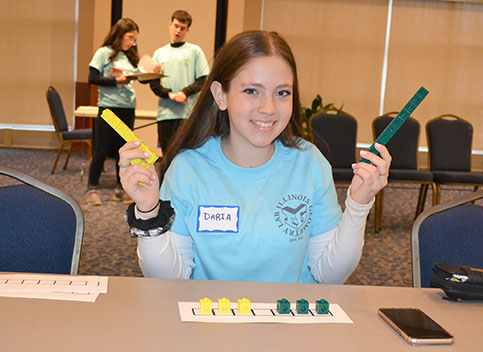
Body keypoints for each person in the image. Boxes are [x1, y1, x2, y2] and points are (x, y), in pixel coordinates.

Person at [119, 30, 391, 284]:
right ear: (220, 95)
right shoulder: (188, 168)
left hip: (290, 326)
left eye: (282, 93)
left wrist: (358, 205)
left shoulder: (309, 163)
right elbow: (169, 281)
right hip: (209, 327)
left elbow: (328, 276)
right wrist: (148, 211)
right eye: (251, 91)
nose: (269, 108)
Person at [86, 18, 145, 206]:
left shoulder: (130, 56)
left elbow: (140, 77)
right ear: (119, 35)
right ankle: (92, 189)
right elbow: (92, 78)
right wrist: (116, 82)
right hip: (109, 108)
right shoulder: (103, 53)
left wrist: (151, 72)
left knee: (124, 151)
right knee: (101, 149)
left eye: (135, 39)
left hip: (127, 108)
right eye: (129, 38)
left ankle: (120, 189)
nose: (132, 43)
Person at [149, 10, 210, 156]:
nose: (178, 31)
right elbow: (154, 83)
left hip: (188, 114)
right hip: (165, 114)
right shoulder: (159, 53)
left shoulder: (195, 51)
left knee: (186, 156)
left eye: (182, 28)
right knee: (167, 155)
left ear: (188, 30)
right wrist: (170, 94)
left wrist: (184, 93)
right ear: (170, 25)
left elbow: (203, 80)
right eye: (176, 26)